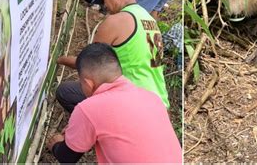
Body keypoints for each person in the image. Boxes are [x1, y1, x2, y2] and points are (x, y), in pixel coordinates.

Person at [47, 43, 182, 163]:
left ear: (88, 83)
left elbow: (67, 157)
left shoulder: (88, 109)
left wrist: (56, 144)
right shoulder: (152, 98)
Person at [56, 0, 170, 110]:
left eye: (104, 0)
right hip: (159, 101)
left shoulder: (117, 21)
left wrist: (59, 59)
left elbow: (90, 64)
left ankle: (100, 126)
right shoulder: (149, 19)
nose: (105, 6)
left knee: (66, 91)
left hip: (133, 102)